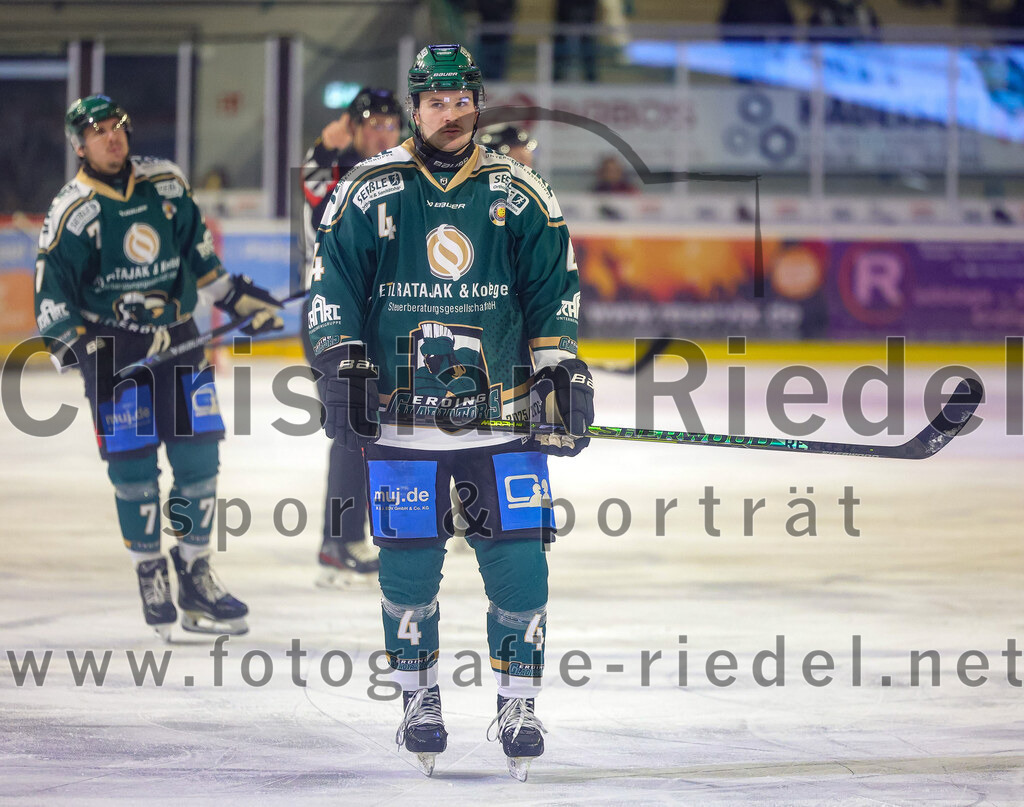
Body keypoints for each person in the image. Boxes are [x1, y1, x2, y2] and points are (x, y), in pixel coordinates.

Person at [307, 44, 594, 780]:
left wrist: (559, 369)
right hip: (404, 428)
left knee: (522, 564)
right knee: (407, 572)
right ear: (416, 107)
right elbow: (331, 286)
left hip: (502, 420)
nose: (451, 112)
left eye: (461, 99)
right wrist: (341, 359)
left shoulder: (519, 190)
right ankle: (419, 698)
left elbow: (552, 288)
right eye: (436, 102)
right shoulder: (371, 190)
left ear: (476, 102)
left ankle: (519, 701)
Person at [34, 94, 284, 640]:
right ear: (80, 145)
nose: (111, 137)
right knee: (134, 472)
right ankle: (150, 572)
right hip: (115, 355)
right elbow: (52, 301)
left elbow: (203, 264)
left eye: (117, 126)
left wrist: (244, 301)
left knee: (199, 463)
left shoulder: (166, 184)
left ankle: (194, 574)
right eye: (98, 131)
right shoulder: (73, 211)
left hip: (180, 343)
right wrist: (84, 356)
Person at [300, 87, 402, 586]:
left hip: (382, 315)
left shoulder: (402, 175)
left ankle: (363, 533)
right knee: (351, 426)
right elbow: (315, 187)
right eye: (372, 123)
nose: (382, 132)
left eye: (389, 123)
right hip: (332, 313)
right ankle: (338, 540)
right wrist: (324, 145)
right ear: (353, 128)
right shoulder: (335, 171)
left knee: (379, 426)